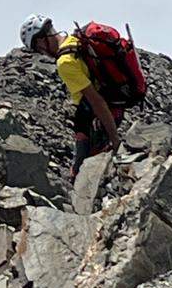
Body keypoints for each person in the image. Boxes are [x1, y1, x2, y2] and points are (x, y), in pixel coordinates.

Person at [20, 14, 131, 175]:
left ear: (40, 40)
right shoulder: (75, 41)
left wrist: (115, 139)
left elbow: (96, 101)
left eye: (37, 49)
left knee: (84, 174)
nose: (42, 53)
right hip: (98, 113)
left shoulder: (64, 62)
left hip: (98, 120)